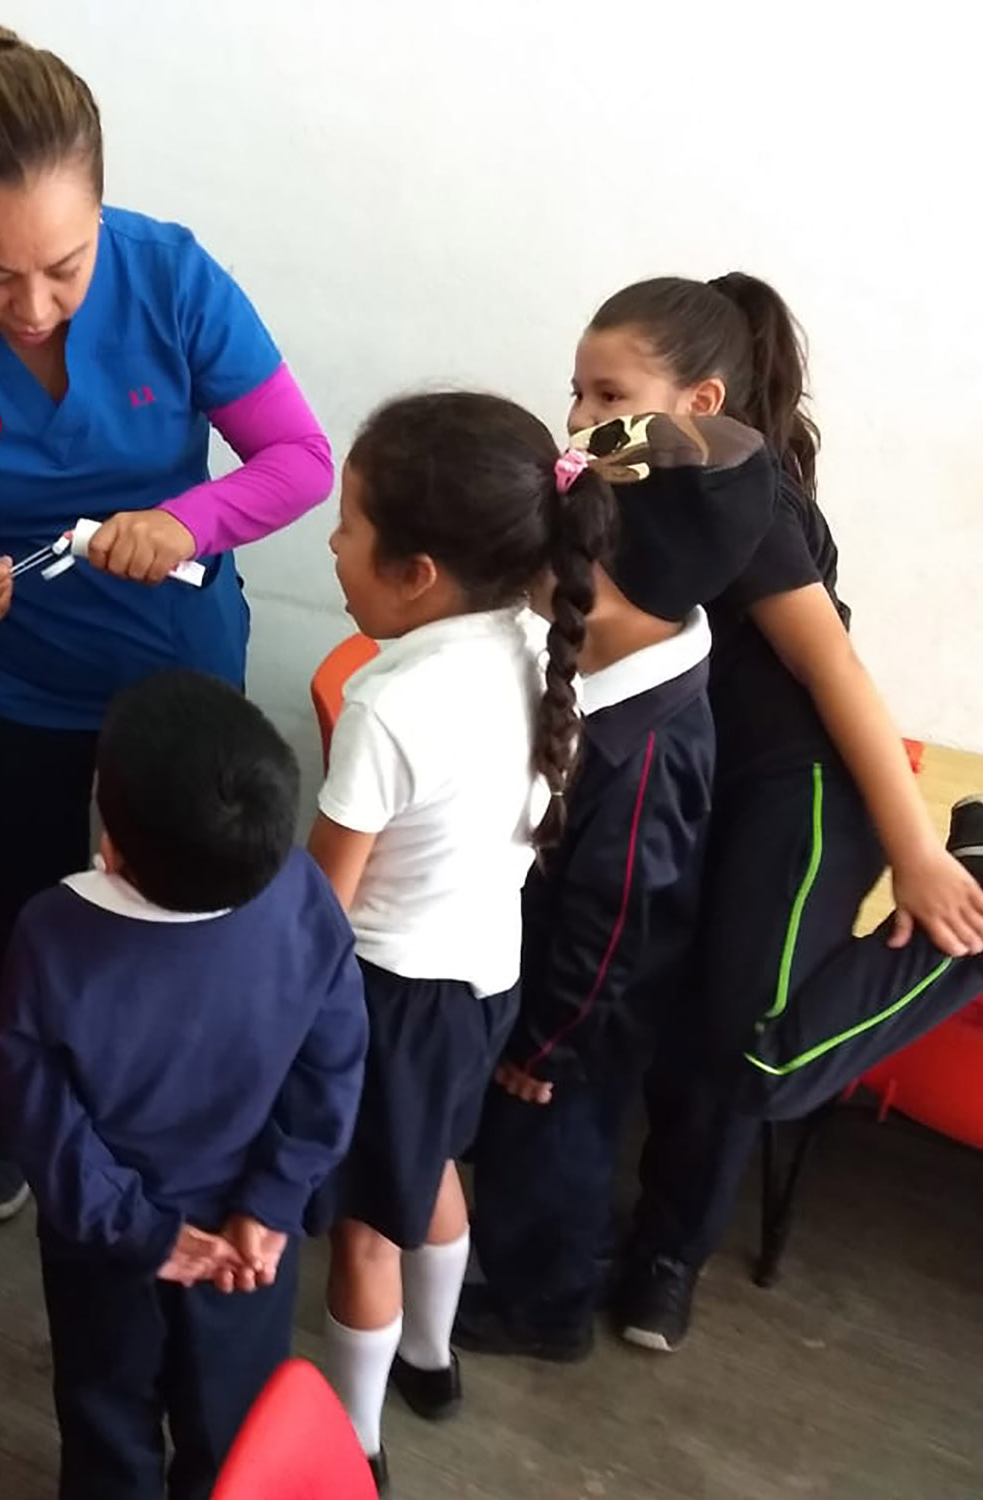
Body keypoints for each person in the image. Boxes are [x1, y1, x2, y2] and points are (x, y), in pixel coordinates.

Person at [0, 23, 334, 1221]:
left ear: (104, 212)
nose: (33, 306)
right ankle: (20, 1104)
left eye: (63, 264)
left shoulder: (172, 277)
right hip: (9, 678)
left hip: (173, 665)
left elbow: (298, 460)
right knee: (24, 895)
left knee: (188, 892)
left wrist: (190, 522)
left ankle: (198, 1102)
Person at [569, 274, 983, 1356]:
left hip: (800, 792)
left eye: (605, 392)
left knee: (752, 1056)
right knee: (686, 1030)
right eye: (574, 390)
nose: (579, 415)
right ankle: (647, 1244)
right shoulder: (621, 483)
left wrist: (911, 844)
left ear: (702, 403)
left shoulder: (748, 503)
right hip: (699, 791)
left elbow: (834, 670)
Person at [306, 392, 610, 1492]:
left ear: (416, 572)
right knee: (428, 1165)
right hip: (483, 982)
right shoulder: (540, 643)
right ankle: (430, 1363)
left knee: (360, 1229)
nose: (331, 545)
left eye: (346, 525)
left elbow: (319, 907)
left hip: (387, 998)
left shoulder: (388, 698)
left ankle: (357, 1437)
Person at [0, 669, 367, 1500]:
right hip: (249, 1247)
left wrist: (142, 1229)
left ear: (113, 841)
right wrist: (270, 1204)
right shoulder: (305, 896)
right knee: (235, 1426)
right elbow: (332, 1065)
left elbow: (37, 1110)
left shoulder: (55, 931)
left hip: (108, 1252)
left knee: (104, 1416)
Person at [459, 413, 778, 1362]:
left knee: (544, 1150)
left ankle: (543, 1308)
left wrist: (548, 1046)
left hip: (581, 1014)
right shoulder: (644, 658)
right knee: (554, 1153)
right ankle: (564, 1256)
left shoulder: (644, 747)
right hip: (577, 994)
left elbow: (612, 918)